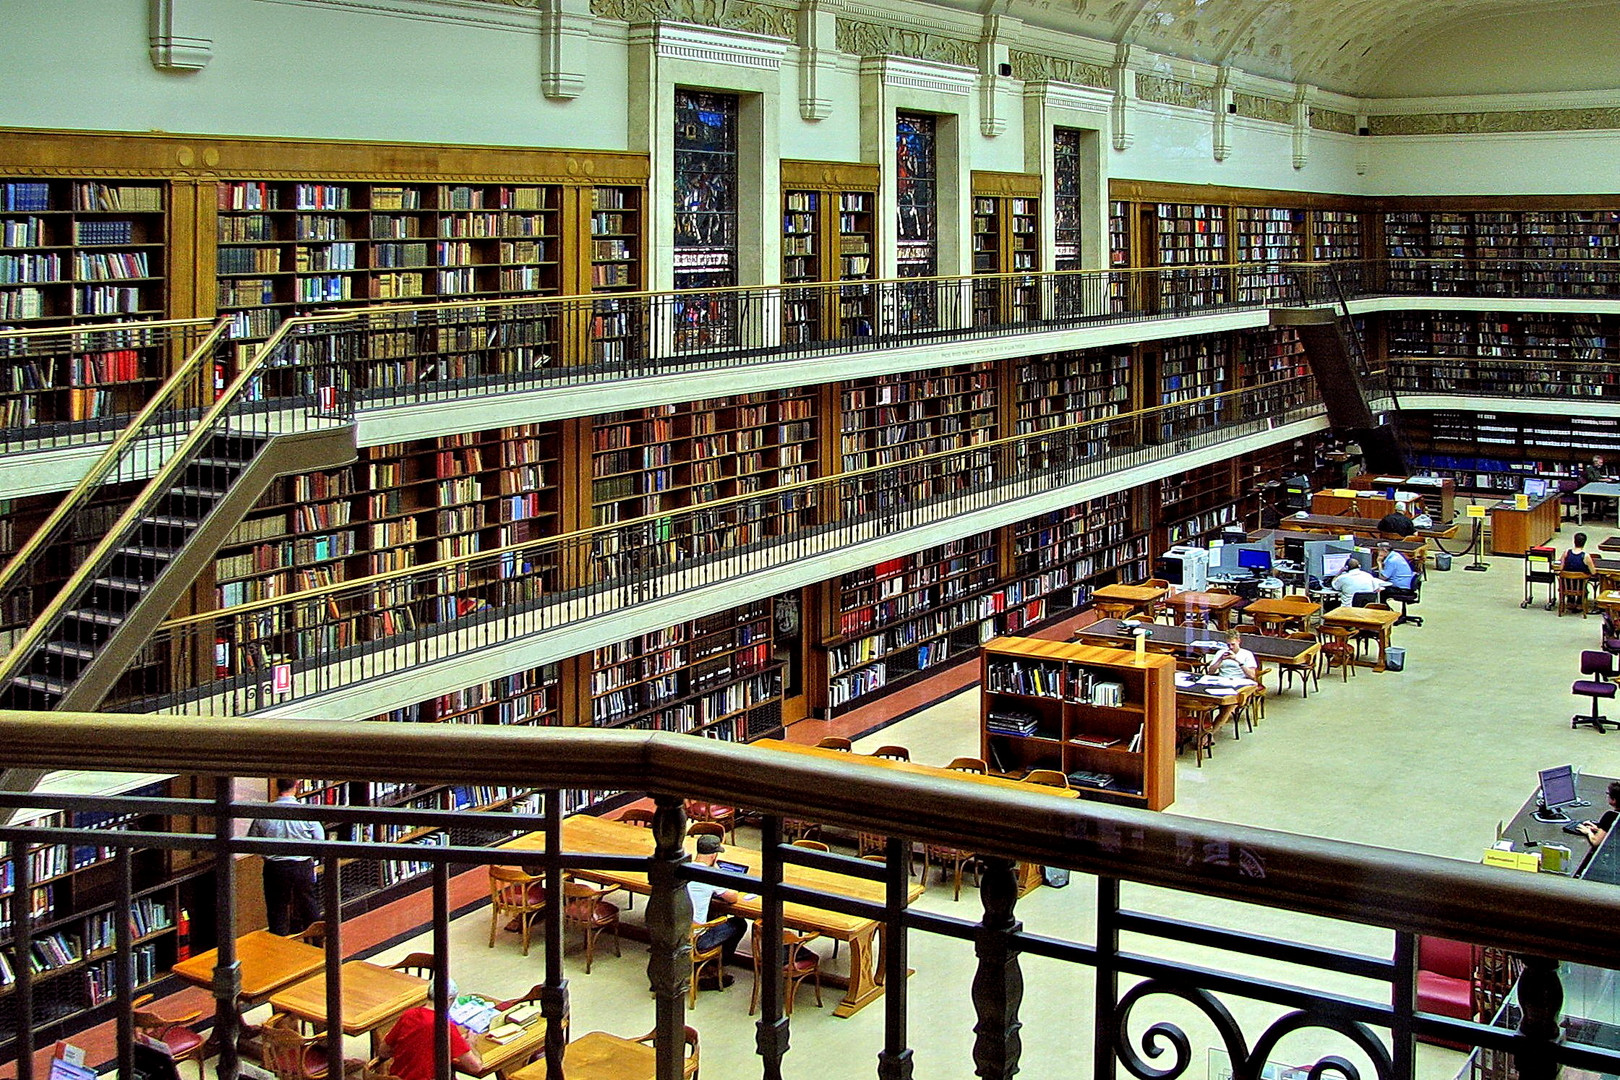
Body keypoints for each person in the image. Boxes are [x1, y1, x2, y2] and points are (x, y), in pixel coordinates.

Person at [247, 779, 323, 936]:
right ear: (297, 786)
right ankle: (318, 942)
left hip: (275, 868)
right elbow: (319, 839)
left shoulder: (264, 813)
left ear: (277, 787)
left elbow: (251, 842)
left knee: (277, 909)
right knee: (309, 905)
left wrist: (266, 854)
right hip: (302, 866)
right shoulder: (306, 812)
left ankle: (279, 946)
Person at [379, 977, 485, 1080]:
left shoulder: (408, 1015)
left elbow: (383, 1052)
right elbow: (475, 1067)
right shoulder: (444, 1026)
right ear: (449, 999)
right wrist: (470, 1044)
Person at [688, 833, 746, 986]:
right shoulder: (710, 875)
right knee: (739, 924)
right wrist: (718, 871)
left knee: (712, 914)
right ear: (714, 855)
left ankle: (709, 964)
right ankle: (714, 969)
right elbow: (732, 898)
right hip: (696, 940)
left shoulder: (684, 868)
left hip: (675, 935)